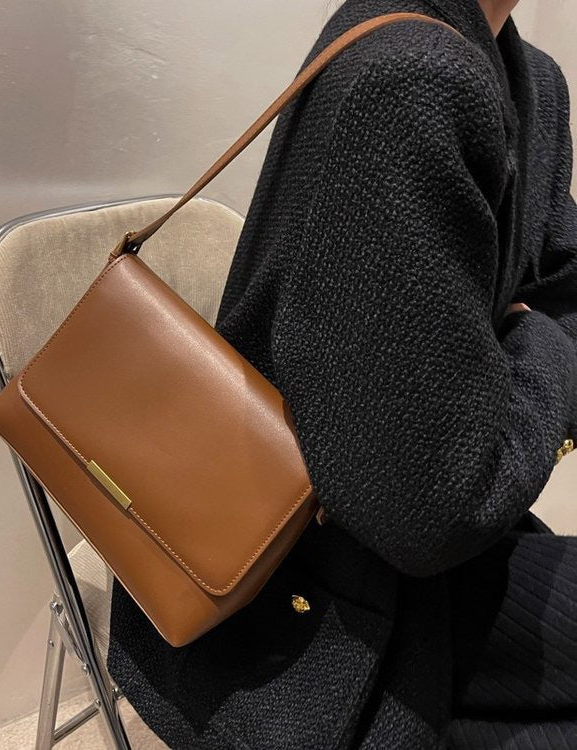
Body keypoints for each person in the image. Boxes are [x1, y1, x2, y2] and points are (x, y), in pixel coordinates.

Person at [107, 0, 577, 747]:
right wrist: (541, 347)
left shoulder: (533, 84)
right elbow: (429, 516)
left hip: (421, 547)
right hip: (313, 606)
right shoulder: (412, 79)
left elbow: (559, 291)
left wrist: (530, 347)